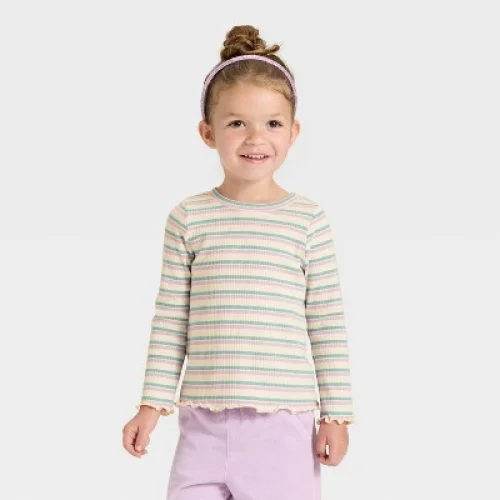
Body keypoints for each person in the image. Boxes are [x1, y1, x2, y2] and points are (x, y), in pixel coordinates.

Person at [122, 24, 355, 500]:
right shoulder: (188, 217)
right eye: (236, 124)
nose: (255, 137)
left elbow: (326, 323)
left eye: (272, 124)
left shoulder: (307, 220)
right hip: (201, 425)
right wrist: (151, 404)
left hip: (283, 429)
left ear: (293, 132)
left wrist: (336, 414)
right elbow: (170, 320)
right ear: (207, 133)